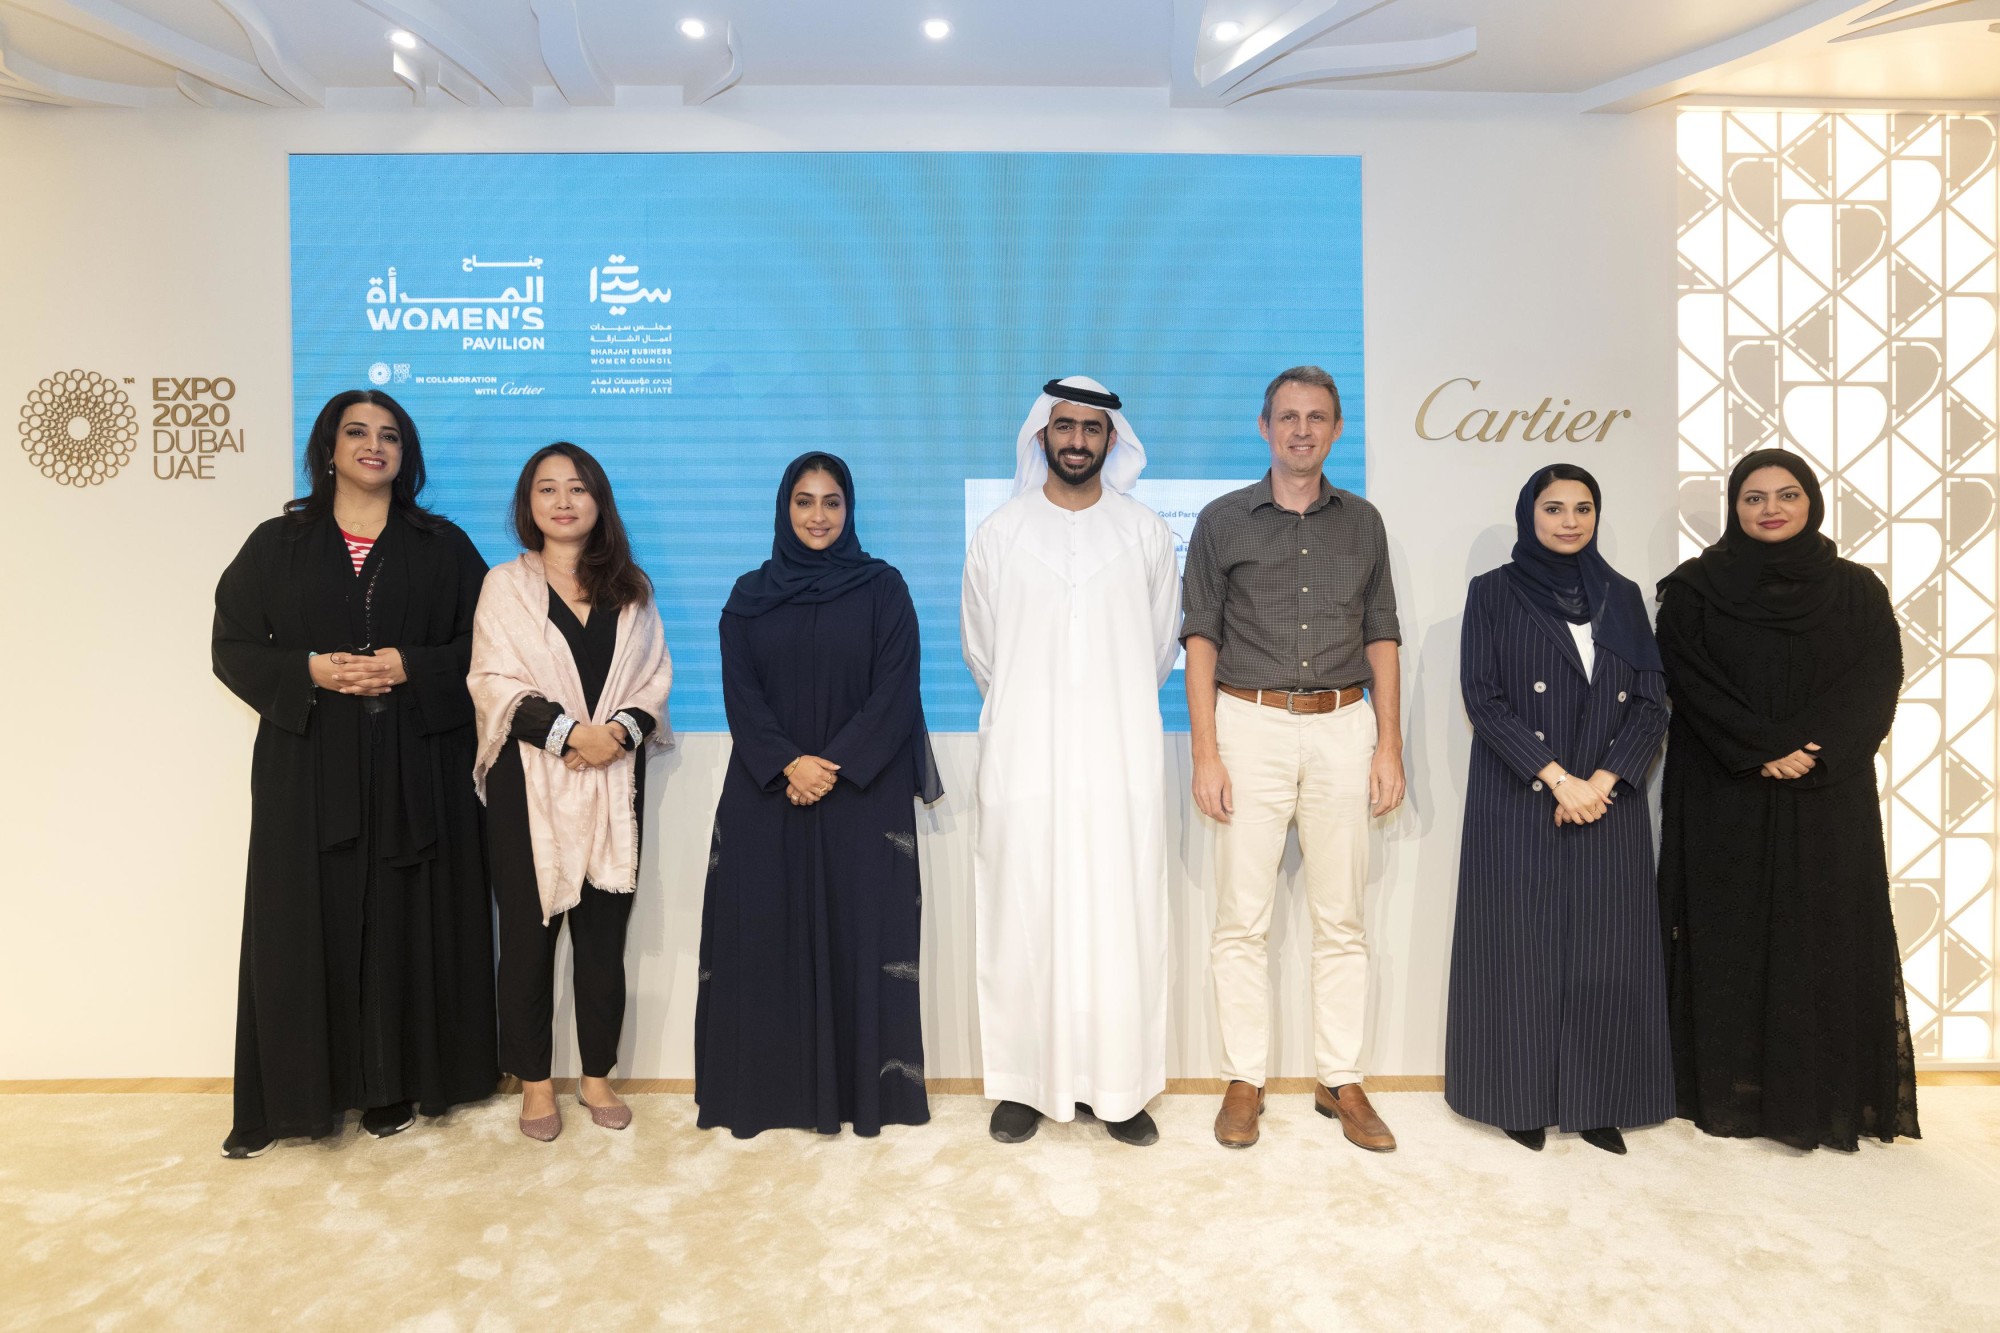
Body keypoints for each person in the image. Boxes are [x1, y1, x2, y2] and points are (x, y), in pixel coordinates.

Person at [211, 389, 497, 1159]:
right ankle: (292, 1095)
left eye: (391, 436)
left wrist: (414, 664)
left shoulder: (442, 545)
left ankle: (390, 1086)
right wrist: (309, 670)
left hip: (416, 763)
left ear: (407, 456)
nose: (375, 445)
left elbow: (491, 645)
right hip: (309, 764)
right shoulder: (277, 543)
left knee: (407, 915)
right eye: (357, 432)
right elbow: (233, 645)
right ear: (327, 447)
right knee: (301, 919)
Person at [1655, 448, 1918, 1152]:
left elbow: (1877, 679)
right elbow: (1688, 678)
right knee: (1729, 932)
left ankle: (1819, 1095)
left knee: (1820, 933)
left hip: (1826, 795)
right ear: (1735, 507)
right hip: (1724, 789)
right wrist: (1762, 745)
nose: (1770, 507)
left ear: (1812, 503)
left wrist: (1815, 749)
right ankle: (1726, 1091)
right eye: (1752, 496)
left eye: (1787, 494)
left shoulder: (1857, 590)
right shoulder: (1695, 589)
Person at [1182, 365, 1404, 1152]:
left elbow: (1383, 634)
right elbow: (1200, 638)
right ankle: (1244, 1079)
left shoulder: (1364, 522)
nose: (1302, 429)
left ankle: (1340, 1078)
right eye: (1287, 417)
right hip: (1248, 724)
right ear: (1265, 427)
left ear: (1337, 429)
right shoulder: (1221, 521)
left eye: (1317, 417)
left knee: (1340, 916)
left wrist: (1390, 744)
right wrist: (1206, 750)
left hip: (1346, 724)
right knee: (1241, 918)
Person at [963, 376, 1181, 1148]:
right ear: (1041, 435)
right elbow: (985, 654)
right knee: (1025, 913)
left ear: (1112, 440)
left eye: (1093, 428)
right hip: (1027, 763)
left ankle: (1119, 1088)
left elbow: (1158, 650)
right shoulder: (999, 533)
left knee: (1119, 918)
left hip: (1118, 761)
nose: (1079, 440)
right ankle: (1024, 1083)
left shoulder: (1148, 533)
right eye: (1065, 426)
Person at [695, 452, 941, 1138]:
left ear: (849, 509)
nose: (818, 516)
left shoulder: (883, 588)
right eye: (804, 501)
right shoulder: (749, 595)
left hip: (861, 798)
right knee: (764, 940)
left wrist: (829, 765)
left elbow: (896, 690)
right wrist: (789, 764)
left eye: (832, 502)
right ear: (784, 508)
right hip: (766, 795)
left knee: (859, 941)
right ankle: (768, 1096)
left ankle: (863, 1096)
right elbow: (740, 697)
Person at [1446, 464, 1673, 1155]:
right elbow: (1483, 697)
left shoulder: (1624, 596)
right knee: (1519, 949)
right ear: (1529, 514)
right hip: (1522, 793)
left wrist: (1604, 779)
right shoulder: (1493, 592)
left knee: (1604, 952)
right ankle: (1515, 1096)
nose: (1569, 520)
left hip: (1607, 800)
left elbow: (1653, 700)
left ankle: (1596, 1099)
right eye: (1554, 507)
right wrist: (1557, 777)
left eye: (1583, 507)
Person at [469, 443, 672, 1142]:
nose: (563, 500)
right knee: (526, 942)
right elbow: (491, 682)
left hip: (614, 780)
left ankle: (596, 1075)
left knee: (602, 941)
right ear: (529, 504)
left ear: (598, 501)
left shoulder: (631, 589)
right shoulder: (504, 586)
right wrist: (564, 734)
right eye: (547, 488)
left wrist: (614, 732)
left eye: (577, 488)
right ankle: (533, 1082)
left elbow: (653, 681)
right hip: (528, 787)